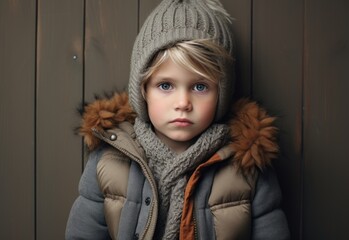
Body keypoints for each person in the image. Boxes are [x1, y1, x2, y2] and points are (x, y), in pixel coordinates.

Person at [65, 0, 290, 239]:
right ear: (143, 91)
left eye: (200, 86)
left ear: (221, 94)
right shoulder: (108, 161)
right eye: (165, 85)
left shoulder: (247, 167)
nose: (183, 102)